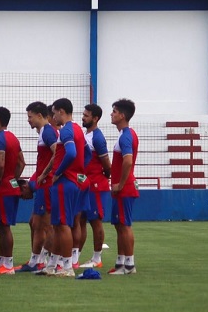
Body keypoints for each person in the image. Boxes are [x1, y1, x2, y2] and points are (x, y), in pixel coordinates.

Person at [36, 98, 86, 277]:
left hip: (65, 182)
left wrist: (59, 172)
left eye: (55, 112)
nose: (53, 116)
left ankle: (67, 267)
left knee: (63, 224)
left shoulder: (66, 130)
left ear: (62, 112)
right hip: (70, 181)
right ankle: (52, 264)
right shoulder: (77, 130)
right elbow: (84, 153)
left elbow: (71, 153)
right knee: (57, 225)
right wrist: (80, 172)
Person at [17, 101, 57, 273]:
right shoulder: (44, 132)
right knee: (34, 222)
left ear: (40, 115)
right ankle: (38, 258)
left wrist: (45, 174)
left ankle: (44, 260)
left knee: (44, 225)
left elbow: (58, 153)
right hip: (43, 183)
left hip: (47, 184)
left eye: (30, 116)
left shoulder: (48, 132)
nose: (28, 120)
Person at [0, 107, 25, 276]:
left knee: (4, 226)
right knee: (1, 226)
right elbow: (21, 163)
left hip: (2, 189)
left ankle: (8, 265)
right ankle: (1, 261)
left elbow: (0, 164)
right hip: (10, 186)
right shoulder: (13, 138)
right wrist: (12, 179)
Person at [77, 103, 111, 269]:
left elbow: (106, 163)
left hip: (96, 185)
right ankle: (75, 256)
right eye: (83, 114)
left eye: (86, 115)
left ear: (95, 118)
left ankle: (97, 258)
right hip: (85, 185)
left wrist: (104, 176)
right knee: (81, 219)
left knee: (95, 221)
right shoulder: (86, 134)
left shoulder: (97, 137)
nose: (83, 117)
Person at [108, 98, 139, 275]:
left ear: (122, 115)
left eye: (114, 111)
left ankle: (129, 264)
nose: (111, 114)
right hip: (122, 187)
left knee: (125, 225)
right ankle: (121, 263)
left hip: (124, 188)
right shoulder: (126, 134)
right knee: (119, 225)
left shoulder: (126, 136)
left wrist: (120, 183)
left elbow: (127, 161)